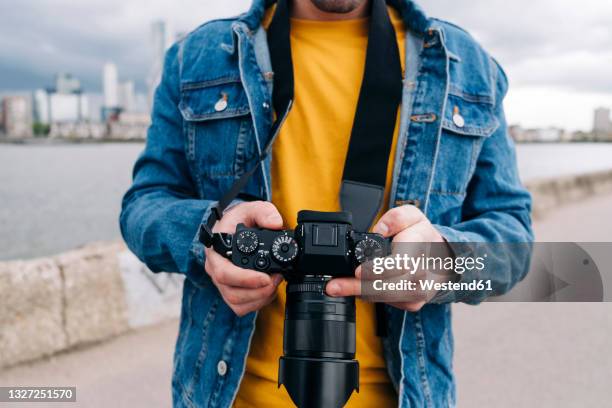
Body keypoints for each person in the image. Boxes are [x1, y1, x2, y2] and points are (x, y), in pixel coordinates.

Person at [120, 0, 533, 406]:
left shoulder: (467, 66)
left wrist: (442, 261)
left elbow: (515, 246)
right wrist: (207, 238)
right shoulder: (196, 58)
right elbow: (143, 205)